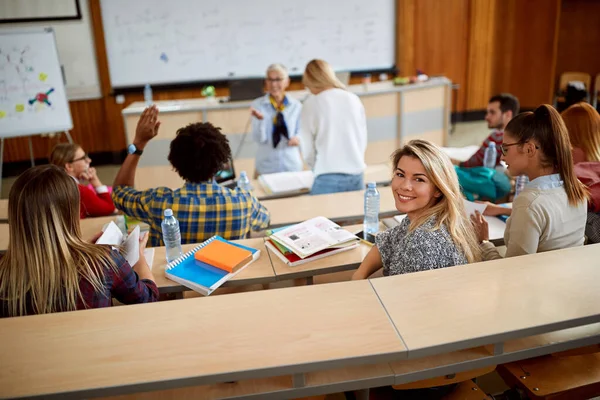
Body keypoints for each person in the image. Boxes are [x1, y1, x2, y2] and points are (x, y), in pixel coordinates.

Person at [0, 165, 158, 318]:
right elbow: (148, 298)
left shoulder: (4, 274)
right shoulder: (104, 261)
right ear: (71, 213)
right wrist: (139, 257)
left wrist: (84, 248)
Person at [111, 106, 270, 247]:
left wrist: (139, 144)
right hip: (228, 277)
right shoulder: (244, 201)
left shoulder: (158, 202)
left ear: (175, 163)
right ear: (222, 163)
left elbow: (119, 192)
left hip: (174, 279)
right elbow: (265, 221)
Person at [352, 140, 481, 280]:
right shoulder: (429, 217)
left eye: (419, 179)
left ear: (438, 189)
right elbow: (389, 239)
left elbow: (397, 298)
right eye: (400, 175)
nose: (405, 186)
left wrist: (357, 279)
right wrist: (360, 274)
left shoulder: (421, 243)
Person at [472, 105, 588, 259]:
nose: (502, 157)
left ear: (529, 149)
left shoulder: (529, 202)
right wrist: (502, 210)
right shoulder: (575, 187)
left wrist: (484, 242)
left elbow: (513, 274)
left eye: (505, 149)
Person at [299, 59, 367, 195]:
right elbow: (362, 138)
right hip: (357, 173)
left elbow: (306, 147)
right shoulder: (353, 98)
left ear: (310, 80)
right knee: (355, 215)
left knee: (320, 216)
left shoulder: (311, 103)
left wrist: (315, 167)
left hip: (327, 175)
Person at [249, 64, 303, 177]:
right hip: (266, 167)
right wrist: (260, 121)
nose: (274, 84)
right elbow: (259, 139)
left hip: (291, 165)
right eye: (270, 79)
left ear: (287, 81)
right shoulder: (257, 105)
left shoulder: (296, 106)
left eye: (278, 79)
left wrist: (298, 138)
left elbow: (302, 132)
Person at [49, 143, 116, 219]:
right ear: (69, 166)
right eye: (83, 158)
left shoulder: (53, 186)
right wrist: (95, 180)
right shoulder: (79, 191)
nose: (89, 160)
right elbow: (110, 207)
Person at [452, 94, 520, 168]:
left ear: (508, 114)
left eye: (492, 112)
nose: (487, 117)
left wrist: (448, 161)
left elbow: (468, 164)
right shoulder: (523, 134)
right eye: (487, 112)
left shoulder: (496, 137)